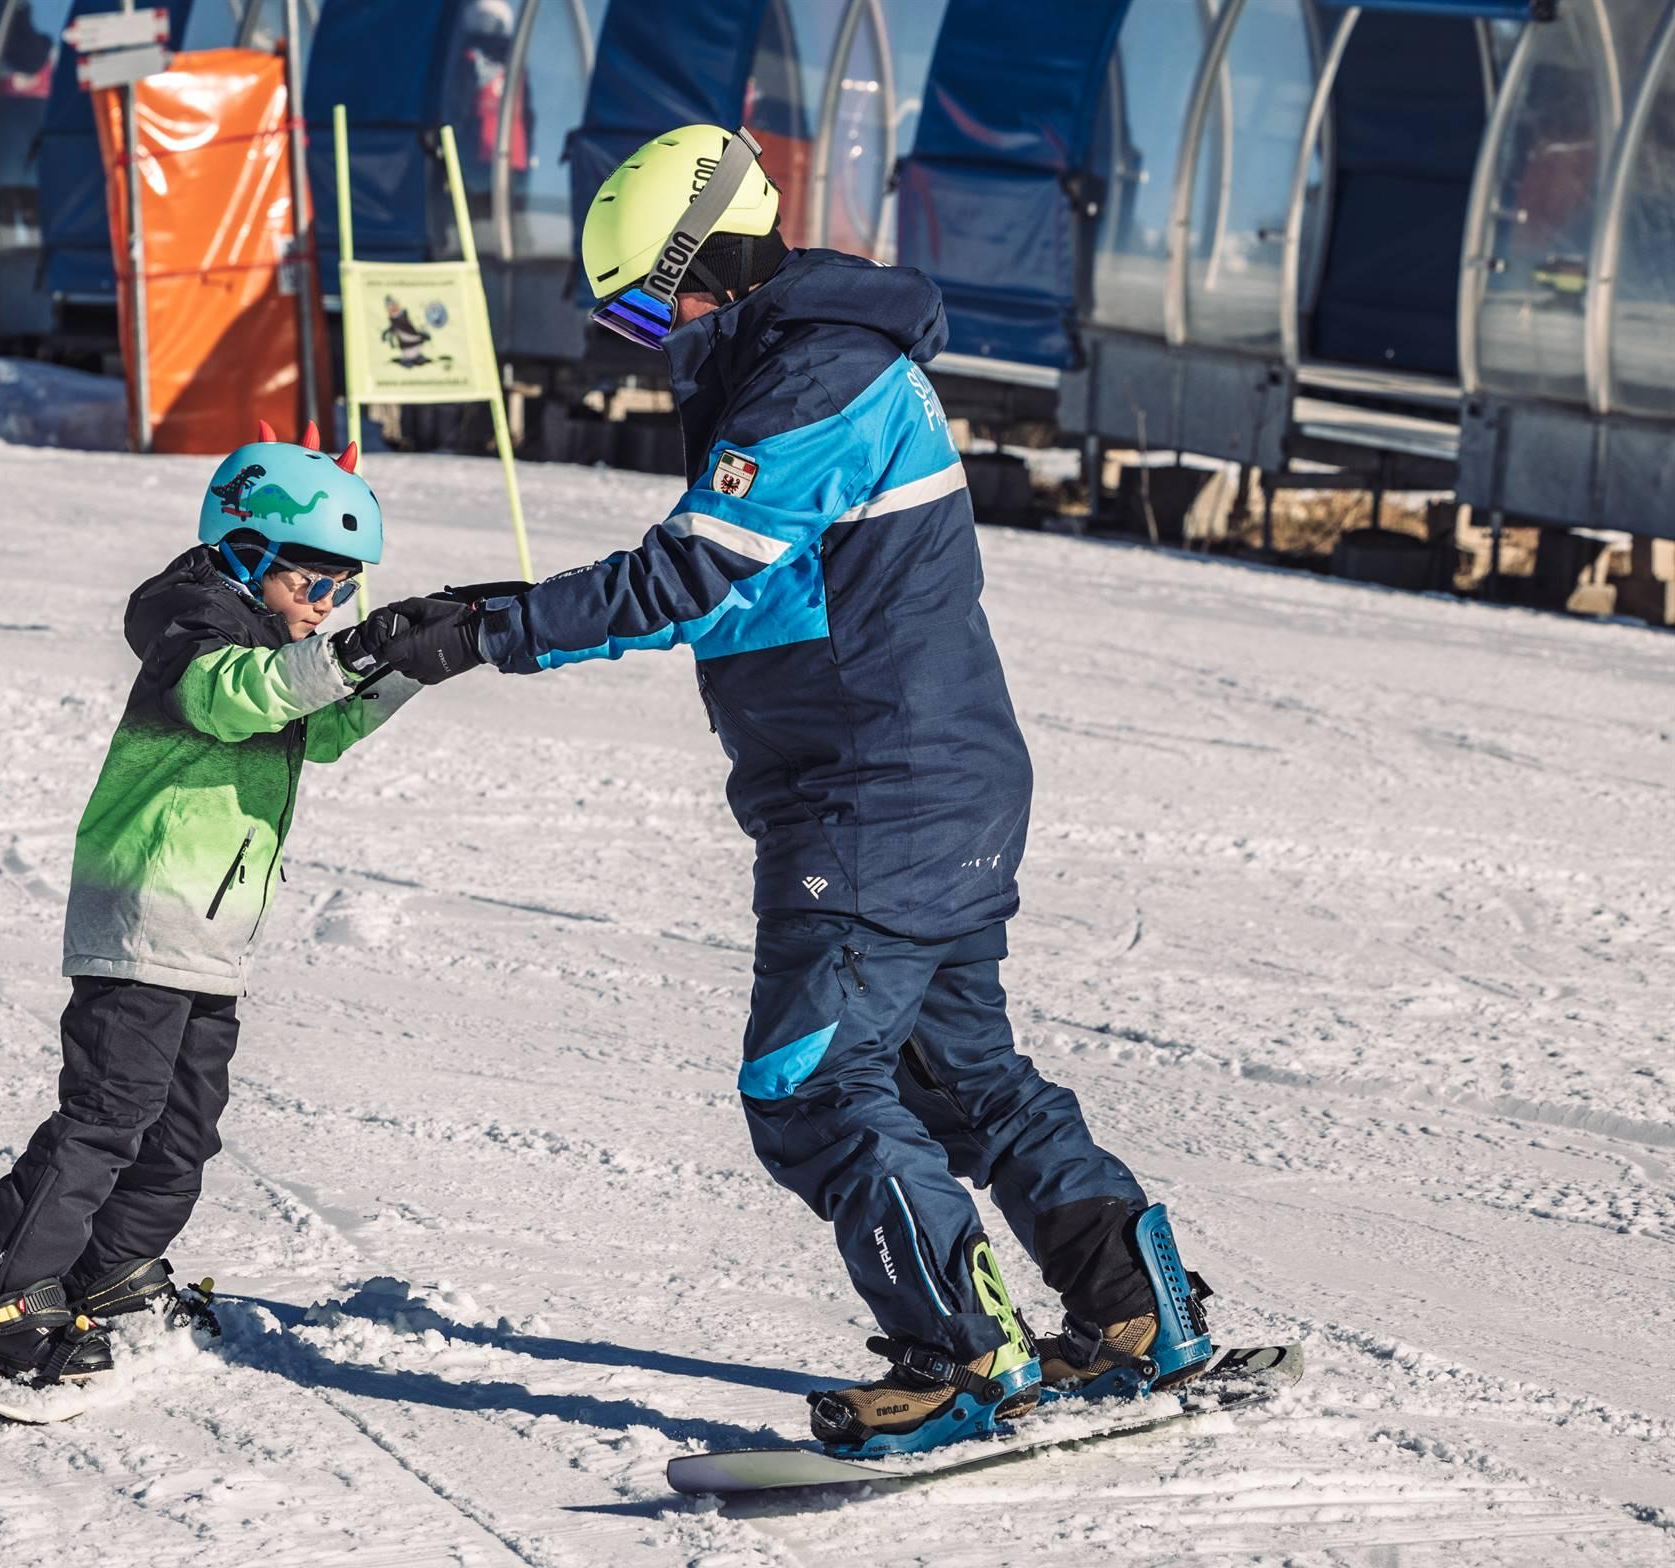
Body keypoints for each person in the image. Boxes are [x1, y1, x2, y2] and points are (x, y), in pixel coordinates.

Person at [405, 126, 1219, 1458]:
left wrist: (484, 628)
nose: (635, 339)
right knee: (964, 1079)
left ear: (707, 262)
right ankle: (1136, 1309)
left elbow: (687, 575)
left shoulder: (817, 376)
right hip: (915, 784)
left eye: (640, 305)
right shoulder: (800, 368)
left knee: (809, 1083)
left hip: (876, 797)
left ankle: (961, 1351)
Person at [0, 425, 471, 1387]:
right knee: (107, 1115)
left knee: (182, 1127)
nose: (328, 606)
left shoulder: (279, 647)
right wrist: (353, 648)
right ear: (244, 548)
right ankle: (1, 1298)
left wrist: (417, 657)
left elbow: (328, 723)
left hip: (211, 932)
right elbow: (234, 700)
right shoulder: (191, 626)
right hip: (142, 912)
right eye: (313, 583)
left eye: (346, 589)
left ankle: (111, 1276)